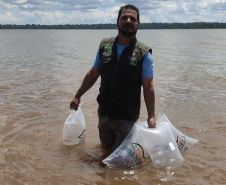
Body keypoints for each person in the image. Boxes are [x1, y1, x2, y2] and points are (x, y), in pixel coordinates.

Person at [70, 4, 156, 150]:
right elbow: (93, 73)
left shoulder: (143, 54)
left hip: (127, 118)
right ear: (117, 21)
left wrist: (151, 116)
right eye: (124, 18)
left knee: (120, 161)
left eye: (132, 19)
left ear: (138, 25)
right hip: (104, 114)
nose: (128, 21)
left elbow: (148, 86)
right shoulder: (106, 46)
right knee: (105, 152)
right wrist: (77, 95)